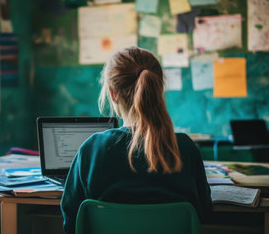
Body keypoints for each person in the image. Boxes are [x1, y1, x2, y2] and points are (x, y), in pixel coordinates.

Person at [60, 46, 212, 234]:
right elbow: (204, 212)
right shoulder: (185, 148)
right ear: (159, 88)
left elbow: (71, 220)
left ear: (112, 93)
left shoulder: (92, 149)